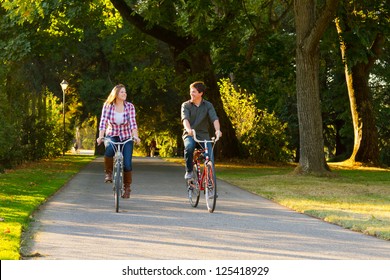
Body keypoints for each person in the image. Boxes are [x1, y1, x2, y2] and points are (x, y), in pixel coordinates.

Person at [96, 84, 141, 199]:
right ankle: (109, 173)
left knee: (127, 163)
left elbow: (133, 123)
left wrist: (135, 136)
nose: (124, 94)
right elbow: (103, 122)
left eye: (125, 92)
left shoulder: (130, 106)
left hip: (126, 136)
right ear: (116, 94)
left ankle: (127, 188)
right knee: (110, 149)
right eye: (122, 92)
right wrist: (101, 136)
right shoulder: (107, 106)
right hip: (112, 134)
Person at [181, 81, 222, 180]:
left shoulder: (208, 105)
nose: (191, 93)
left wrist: (218, 130)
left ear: (201, 93)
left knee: (210, 157)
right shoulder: (186, 105)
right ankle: (189, 171)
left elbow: (214, 119)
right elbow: (185, 119)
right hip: (190, 134)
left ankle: (210, 180)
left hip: (203, 135)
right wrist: (189, 129)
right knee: (189, 147)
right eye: (191, 91)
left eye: (194, 92)